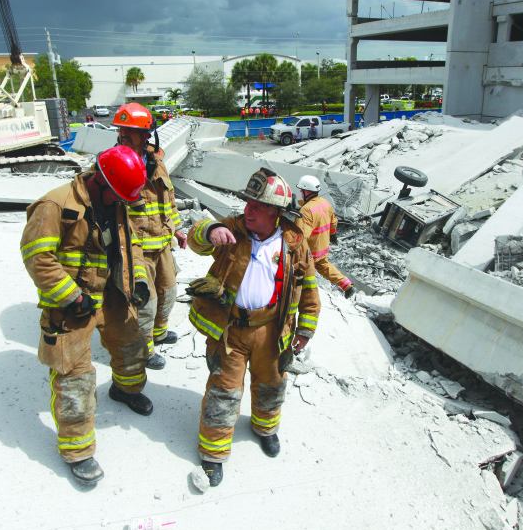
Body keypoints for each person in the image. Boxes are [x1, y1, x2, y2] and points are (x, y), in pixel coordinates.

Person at [20, 145, 156, 487]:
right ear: (99, 180)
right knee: (74, 376)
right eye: (118, 196)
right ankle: (77, 449)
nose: (122, 203)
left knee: (131, 346)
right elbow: (38, 258)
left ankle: (126, 390)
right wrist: (70, 296)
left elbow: (132, 244)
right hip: (72, 303)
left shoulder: (118, 203)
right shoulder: (55, 205)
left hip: (111, 292)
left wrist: (137, 278)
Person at [185, 169, 321, 487]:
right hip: (230, 330)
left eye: (257, 206)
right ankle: (213, 453)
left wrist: (304, 330)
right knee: (223, 392)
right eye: (248, 202)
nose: (248, 210)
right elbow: (195, 238)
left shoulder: (295, 242)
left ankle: (265, 429)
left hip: (273, 331)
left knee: (272, 385)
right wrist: (210, 230)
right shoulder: (232, 229)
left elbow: (310, 289)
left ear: (275, 213)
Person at [113, 103, 187, 358]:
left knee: (168, 292)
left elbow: (169, 199)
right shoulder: (113, 163)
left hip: (162, 243)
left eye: (130, 130)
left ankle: (159, 333)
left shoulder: (156, 161)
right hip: (136, 249)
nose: (124, 134)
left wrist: (176, 228)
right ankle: (144, 349)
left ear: (146, 135)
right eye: (121, 129)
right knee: (145, 301)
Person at [296, 175, 355, 299]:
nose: (300, 192)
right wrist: (333, 234)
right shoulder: (325, 203)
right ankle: (347, 285)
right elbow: (334, 222)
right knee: (325, 266)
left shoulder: (306, 210)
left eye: (301, 190)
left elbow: (302, 235)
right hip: (322, 247)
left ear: (307, 191)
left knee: (297, 271)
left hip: (310, 252)